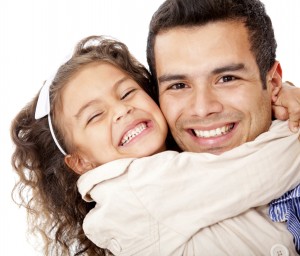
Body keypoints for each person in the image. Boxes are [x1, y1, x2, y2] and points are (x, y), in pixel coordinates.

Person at [11, 34, 300, 256]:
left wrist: (279, 92)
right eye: (95, 115)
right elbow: (264, 168)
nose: (121, 111)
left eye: (126, 93)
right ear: (81, 162)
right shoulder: (134, 190)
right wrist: (283, 107)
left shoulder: (179, 159)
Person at [145, 0, 300, 254]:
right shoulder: (132, 201)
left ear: (273, 83)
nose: (203, 108)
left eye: (227, 79)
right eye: (179, 85)